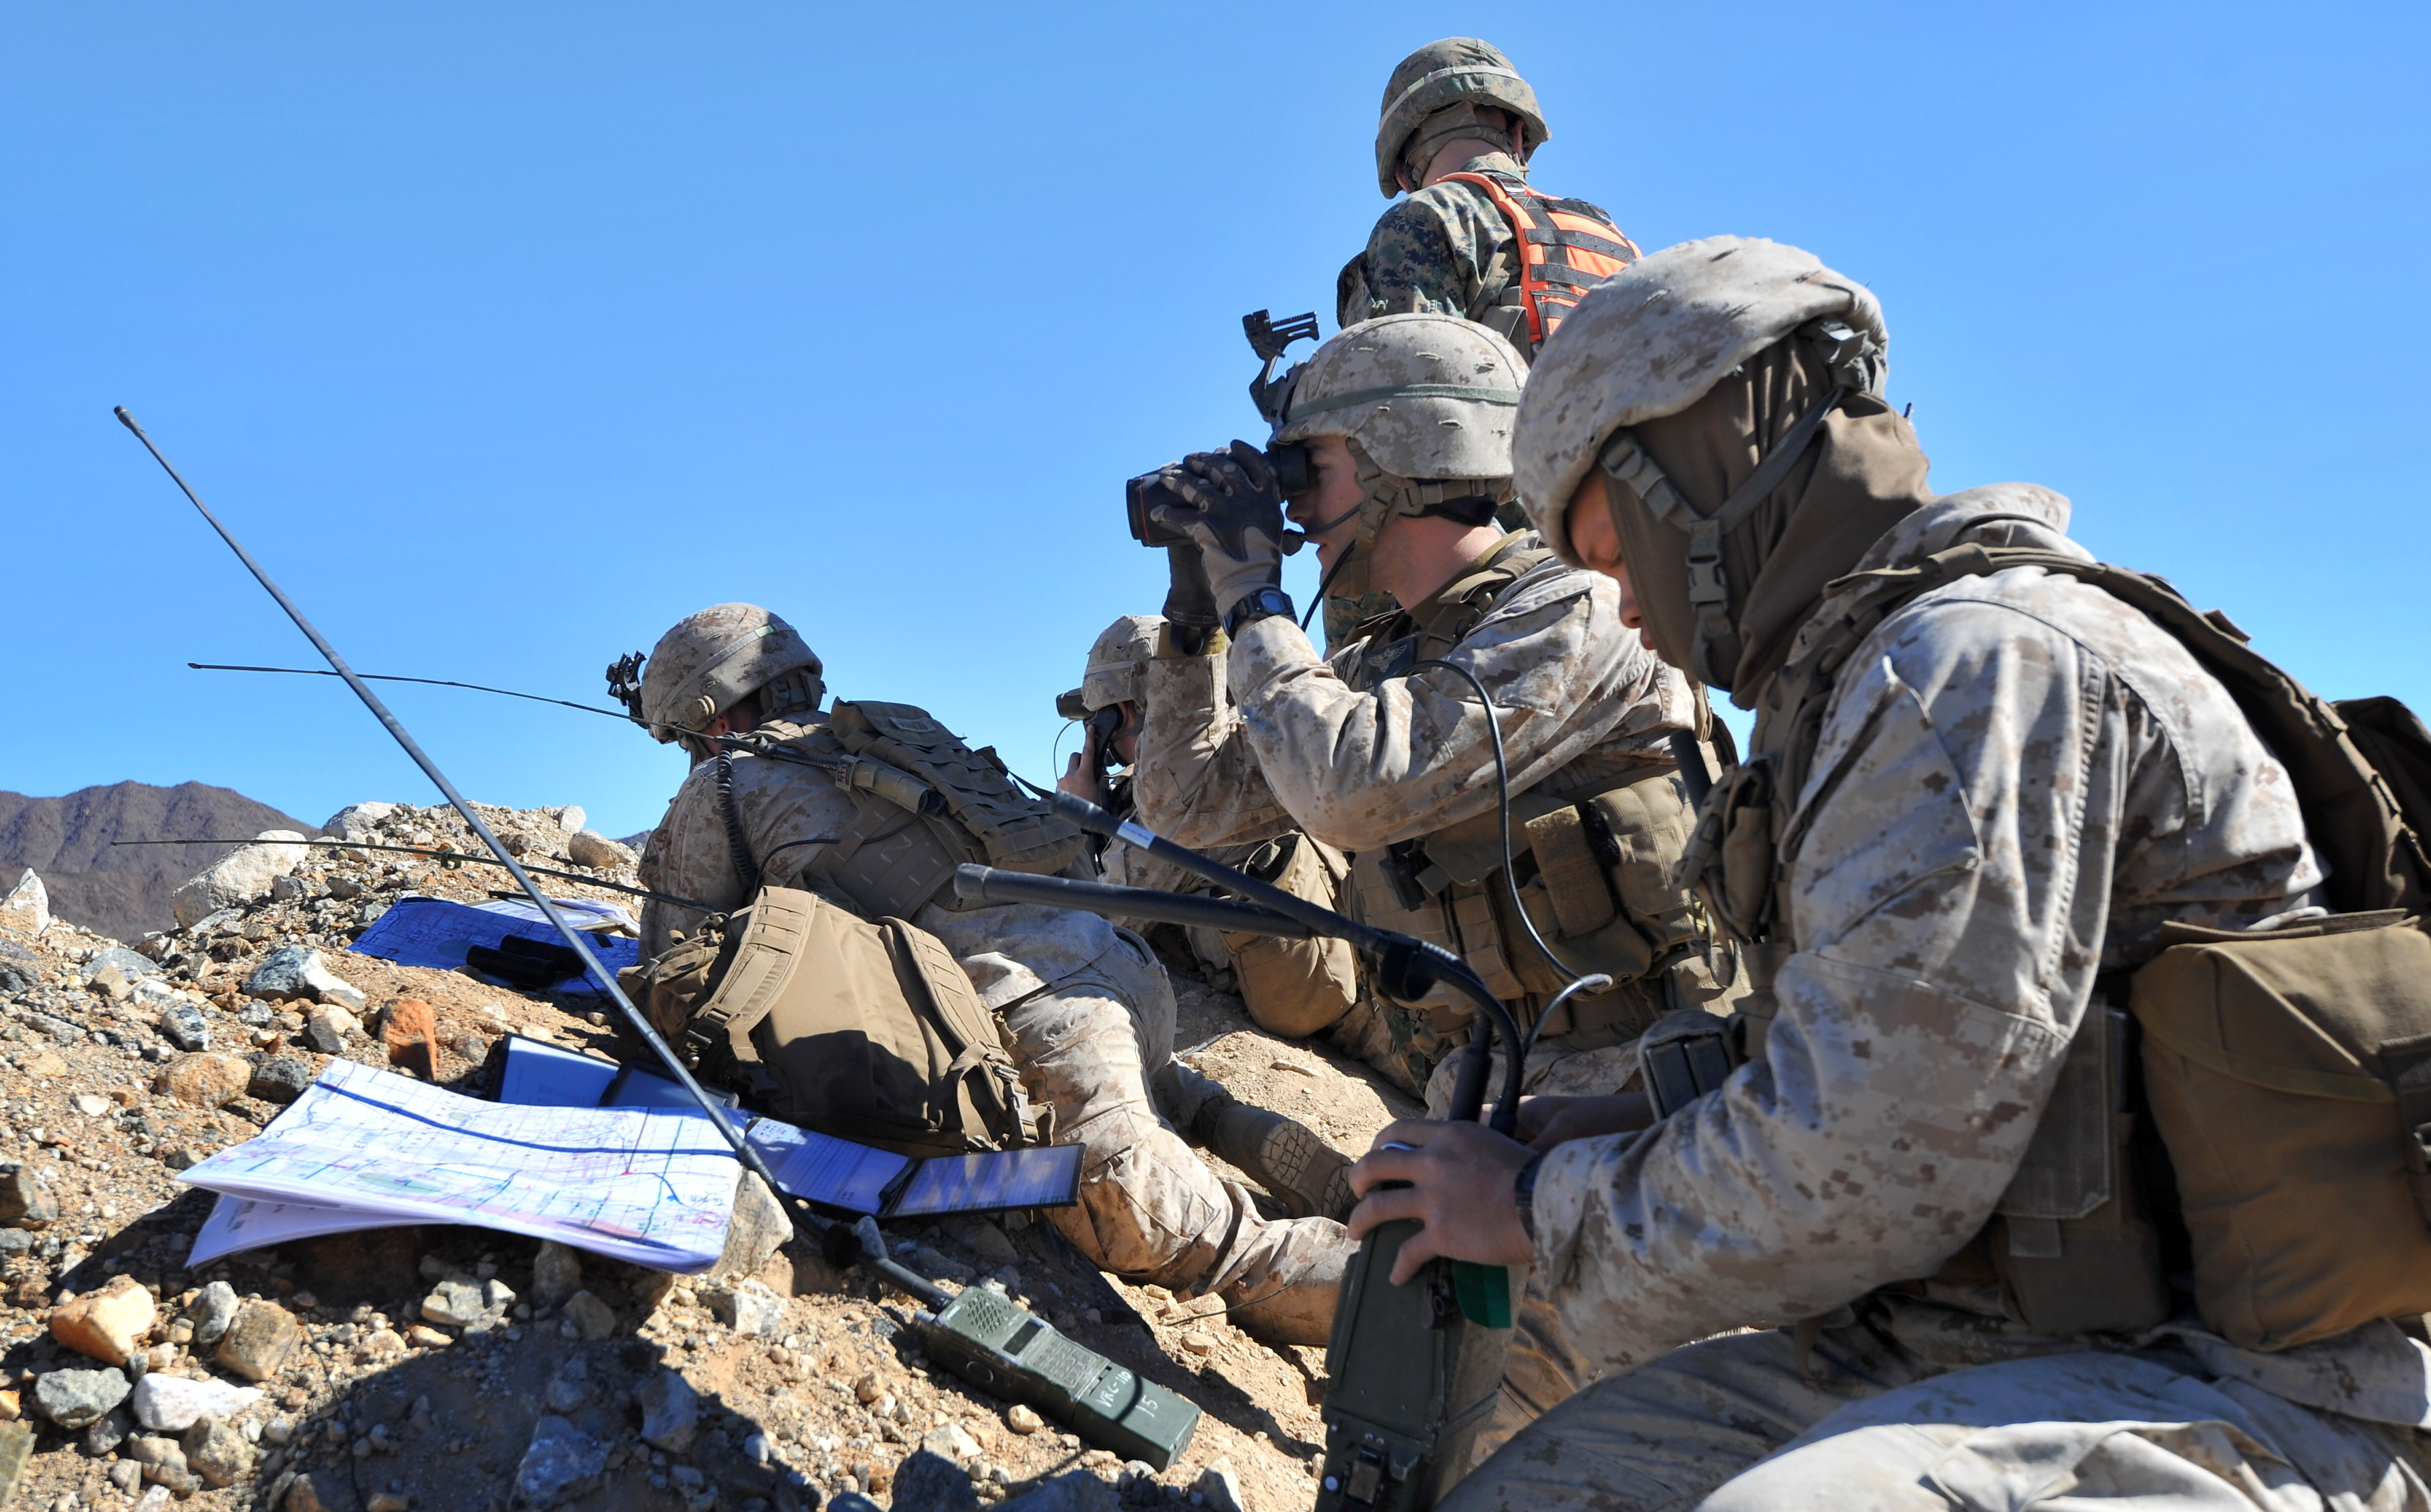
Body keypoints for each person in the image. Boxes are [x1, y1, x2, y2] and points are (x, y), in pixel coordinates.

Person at [1352, 236, 2431, 1512]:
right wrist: (1633, 1110)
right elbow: (1902, 1055)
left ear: (1708, 464)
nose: (1619, 607)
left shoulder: (1965, 671)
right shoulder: (1862, 685)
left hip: (2254, 1401)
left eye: (1612, 548)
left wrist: (1534, 1205)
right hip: (1989, 1340)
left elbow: (1866, 1168)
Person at [1137, 310, 1719, 1430]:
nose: (1289, 512)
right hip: (1497, 1099)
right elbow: (1186, 803)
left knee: (1575, 1441)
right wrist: (1194, 617)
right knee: (1428, 1438)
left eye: (1307, 472)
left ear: (1402, 457)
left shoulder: (1573, 609)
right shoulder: (1393, 657)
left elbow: (1350, 786)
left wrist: (1257, 599)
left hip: (1646, 1097)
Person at [623, 602, 1350, 1344]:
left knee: (1154, 1222)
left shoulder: (724, 781)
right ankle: (1236, 1128)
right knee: (1160, 1084)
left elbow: (670, 961)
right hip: (1121, 970)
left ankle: (1384, 1291)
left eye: (682, 738)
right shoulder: (902, 740)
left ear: (711, 718)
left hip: (1042, 1019)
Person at [1317, 36, 1640, 640]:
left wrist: (1358, 645)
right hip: (1637, 579)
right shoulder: (1609, 236)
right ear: (1518, 133)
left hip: (1503, 603)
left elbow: (1393, 436)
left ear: (1404, 164)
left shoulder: (1423, 222)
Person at [1057, 613, 1359, 1043]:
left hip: (1361, 1031)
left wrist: (1084, 821)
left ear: (1122, 715)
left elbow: (1098, 925)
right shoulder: (1250, 745)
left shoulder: (1187, 798)